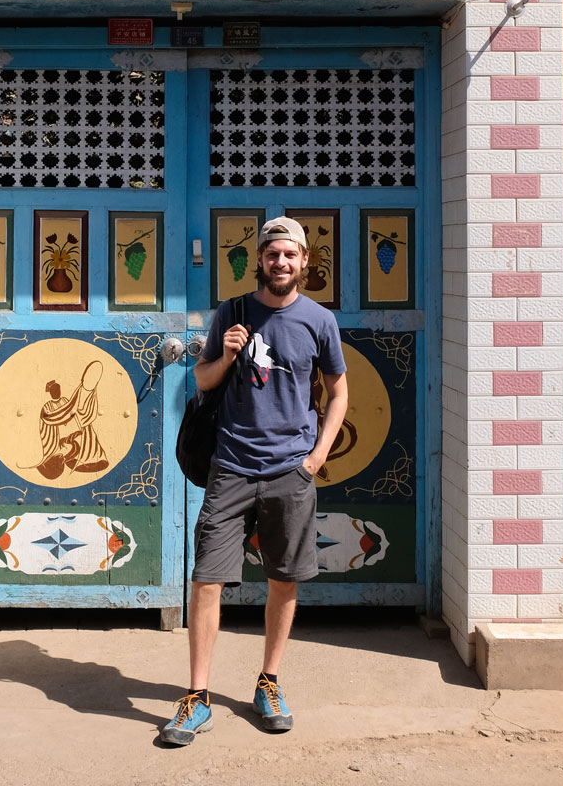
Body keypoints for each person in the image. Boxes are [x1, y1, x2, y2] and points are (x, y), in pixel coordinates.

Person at [159, 216, 348, 746]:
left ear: (304, 262)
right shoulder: (232, 312)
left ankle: (270, 681)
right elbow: (200, 380)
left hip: (291, 469)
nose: (280, 263)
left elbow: (339, 393)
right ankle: (197, 697)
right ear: (259, 260)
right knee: (206, 580)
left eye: (290, 255)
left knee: (284, 578)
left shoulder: (319, 321)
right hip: (232, 466)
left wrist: (315, 458)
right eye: (272, 255)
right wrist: (226, 355)